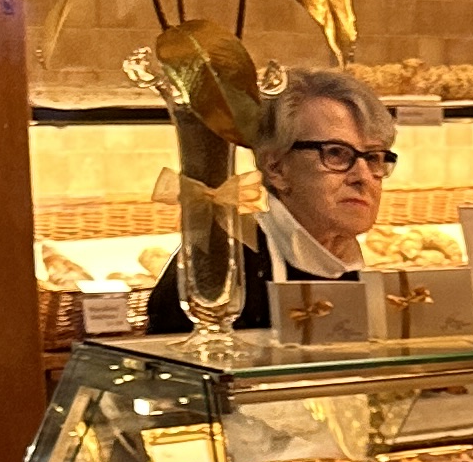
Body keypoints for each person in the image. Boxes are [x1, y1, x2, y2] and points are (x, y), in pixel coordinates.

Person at [144, 70, 400, 333]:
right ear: (276, 168)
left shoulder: (362, 272)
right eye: (336, 153)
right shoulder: (221, 264)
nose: (363, 177)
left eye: (374, 158)